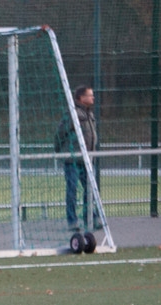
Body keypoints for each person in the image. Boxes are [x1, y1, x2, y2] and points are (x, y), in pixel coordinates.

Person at [54, 86, 99, 231]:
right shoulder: (73, 115)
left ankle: (90, 218)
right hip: (73, 160)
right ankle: (72, 221)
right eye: (90, 95)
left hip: (87, 160)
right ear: (81, 98)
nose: (93, 98)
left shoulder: (89, 114)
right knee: (72, 190)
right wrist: (61, 151)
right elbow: (60, 133)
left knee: (90, 190)